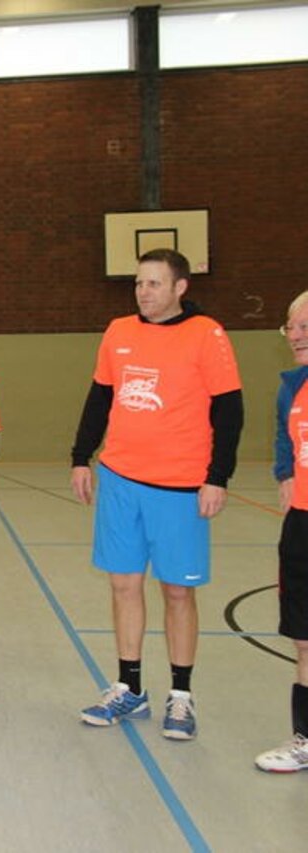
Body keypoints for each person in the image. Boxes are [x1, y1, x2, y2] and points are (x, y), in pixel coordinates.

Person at [71, 248, 243, 740]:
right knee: (124, 586)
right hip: (122, 480)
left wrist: (218, 476)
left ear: (180, 287)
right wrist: (81, 456)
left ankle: (181, 697)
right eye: (139, 283)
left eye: (154, 283)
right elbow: (100, 397)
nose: (143, 292)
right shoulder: (118, 332)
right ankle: (129, 689)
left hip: (181, 487)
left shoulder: (206, 334)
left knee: (177, 591)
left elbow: (229, 411)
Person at [256, 292, 308, 772]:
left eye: (305, 327)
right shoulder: (292, 387)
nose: (294, 335)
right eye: (290, 327)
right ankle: (305, 740)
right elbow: (282, 433)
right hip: (301, 523)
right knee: (304, 637)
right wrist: (284, 471)